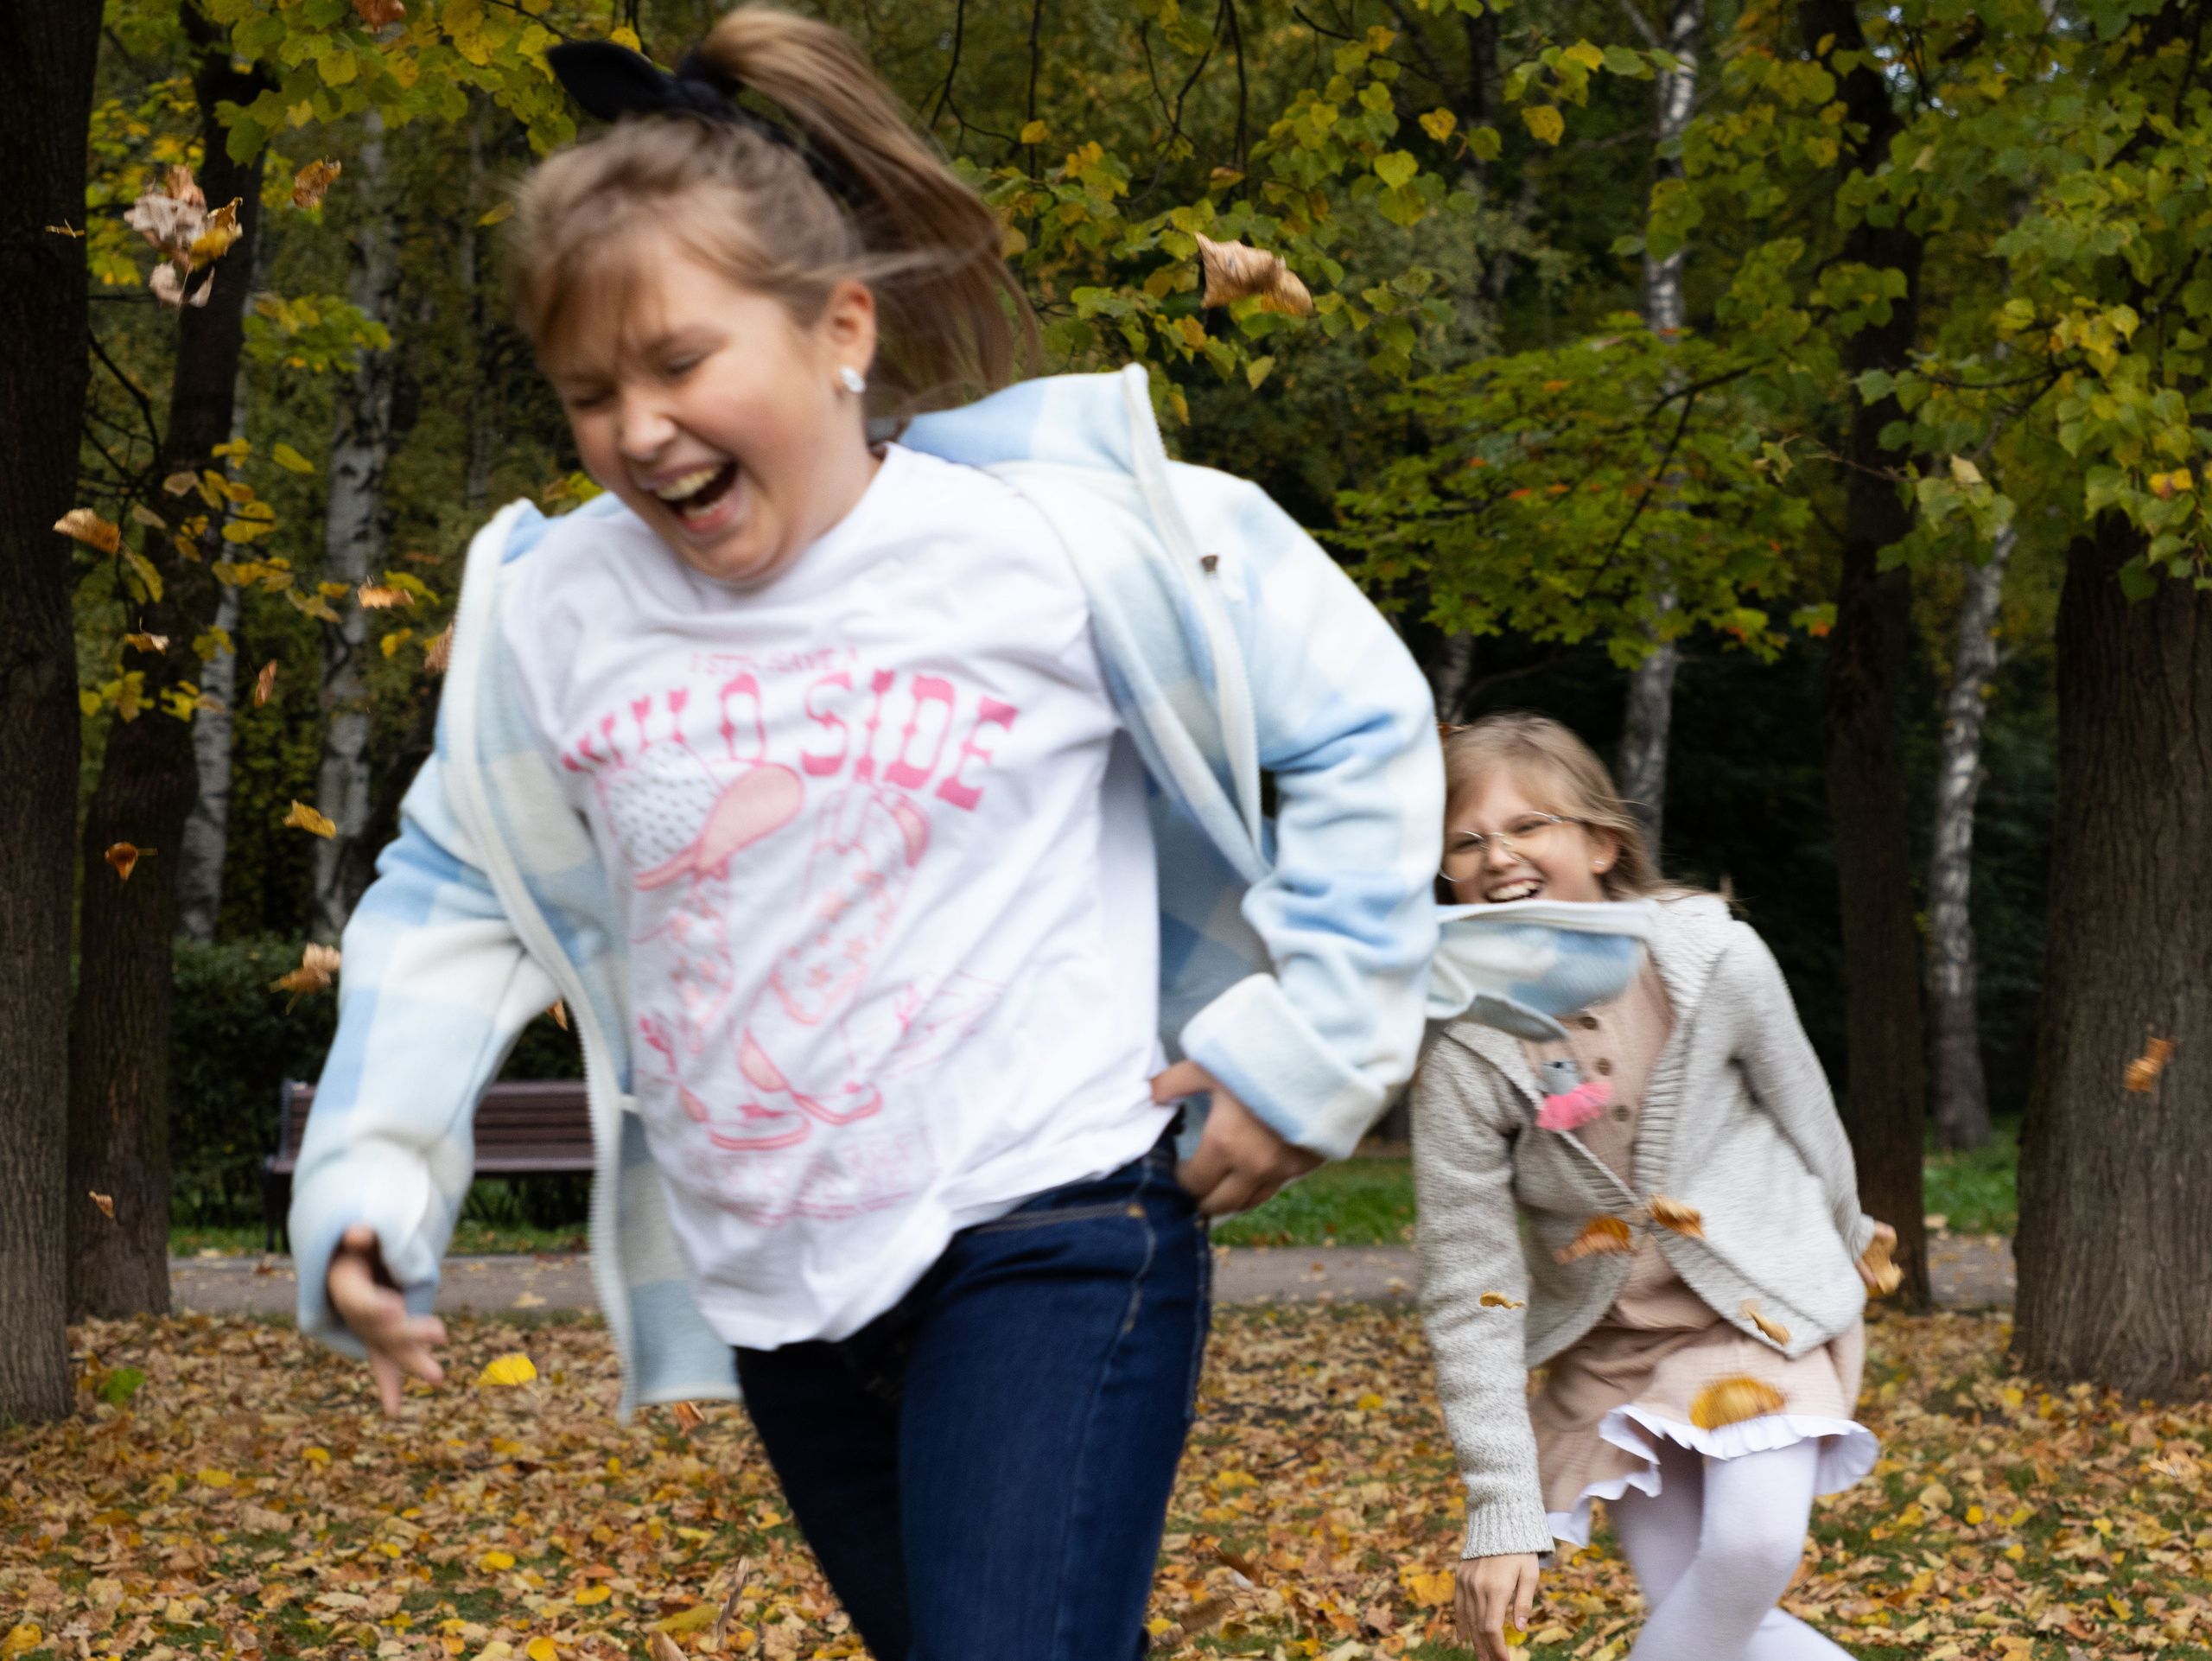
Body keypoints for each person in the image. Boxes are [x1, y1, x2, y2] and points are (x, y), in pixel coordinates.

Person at [285, 10, 1444, 1659]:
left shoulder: (1056, 541)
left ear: (839, 326)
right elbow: (453, 890)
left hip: (1057, 1215)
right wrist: (373, 1175)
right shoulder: (562, 612)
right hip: (784, 1288)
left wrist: (1312, 1045)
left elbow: (1362, 724)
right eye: (588, 390)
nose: (636, 427)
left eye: (681, 363)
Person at [1412, 714, 1897, 1661]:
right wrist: (1500, 1506)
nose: (1496, 853)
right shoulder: (1465, 1046)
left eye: (1527, 825)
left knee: (1753, 1546)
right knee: (1713, 1621)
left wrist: (1849, 1247)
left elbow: (1807, 1110)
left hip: (1753, 1312)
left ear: (1599, 841)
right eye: (1466, 840)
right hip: (1614, 1353)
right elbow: (1468, 1285)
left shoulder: (1714, 961)